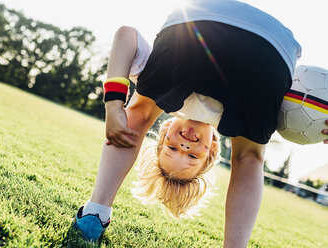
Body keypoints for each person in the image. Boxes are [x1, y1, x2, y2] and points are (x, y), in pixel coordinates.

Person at [73, 0, 328, 247]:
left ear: (162, 138)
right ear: (212, 152)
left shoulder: (161, 90)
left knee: (138, 114)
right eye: (193, 156)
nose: (185, 144)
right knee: (249, 156)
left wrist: (114, 104)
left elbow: (126, 35)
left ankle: (95, 214)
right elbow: (309, 102)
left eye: (173, 149)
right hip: (270, 49)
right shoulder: (244, 117)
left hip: (197, 22)